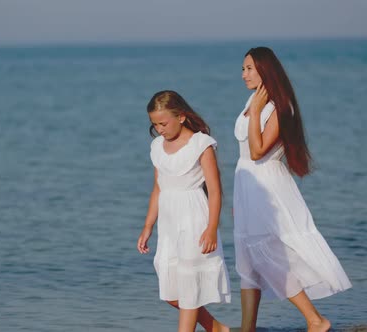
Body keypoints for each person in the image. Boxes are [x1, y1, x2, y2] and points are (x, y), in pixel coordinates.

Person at [232, 47, 352, 332]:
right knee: (246, 259)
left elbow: (258, 150)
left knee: (267, 253)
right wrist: (238, 199)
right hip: (247, 184)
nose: (244, 74)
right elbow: (244, 153)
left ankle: (315, 320)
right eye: (243, 68)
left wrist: (259, 110)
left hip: (267, 186)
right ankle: (247, 328)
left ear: (265, 70)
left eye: (249, 68)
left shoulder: (278, 106)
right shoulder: (253, 99)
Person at [137, 90, 231, 332]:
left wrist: (211, 228)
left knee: (189, 289)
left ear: (180, 117)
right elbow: (158, 189)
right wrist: (148, 226)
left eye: (163, 123)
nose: (159, 129)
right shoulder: (157, 146)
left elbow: (216, 191)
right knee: (171, 291)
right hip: (168, 224)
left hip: (194, 219)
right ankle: (218, 329)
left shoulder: (201, 144)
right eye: (154, 124)